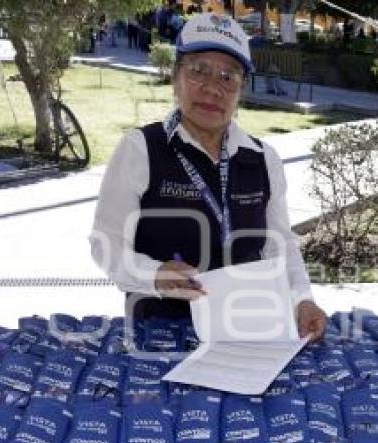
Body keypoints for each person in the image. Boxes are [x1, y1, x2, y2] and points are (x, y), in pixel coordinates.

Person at [90, 13, 327, 342]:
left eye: (228, 76)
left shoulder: (263, 159)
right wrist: (154, 274)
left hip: (248, 328)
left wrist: (302, 300)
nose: (213, 88)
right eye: (199, 70)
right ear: (176, 77)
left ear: (241, 88)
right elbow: (107, 245)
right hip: (160, 332)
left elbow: (280, 245)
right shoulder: (140, 150)